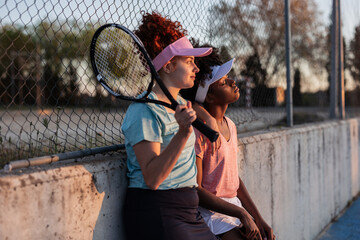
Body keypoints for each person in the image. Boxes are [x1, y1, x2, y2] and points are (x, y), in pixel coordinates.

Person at [121, 12, 218, 240]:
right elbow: (153, 178)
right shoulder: (143, 111)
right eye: (189, 61)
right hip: (157, 211)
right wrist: (182, 134)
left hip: (189, 211)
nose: (196, 69)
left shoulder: (183, 105)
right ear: (168, 66)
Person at [180, 45, 276, 240]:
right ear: (209, 96)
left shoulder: (230, 125)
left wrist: (258, 218)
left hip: (233, 209)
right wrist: (240, 214)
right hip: (212, 214)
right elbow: (196, 190)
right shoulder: (199, 132)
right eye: (223, 82)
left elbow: (234, 182)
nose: (233, 82)